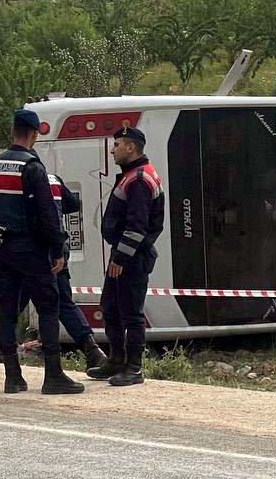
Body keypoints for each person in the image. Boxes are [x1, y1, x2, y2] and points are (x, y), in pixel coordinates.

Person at [0, 109, 84, 395]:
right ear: (35, 134)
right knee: (49, 307)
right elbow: (48, 214)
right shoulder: (32, 167)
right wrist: (57, 248)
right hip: (32, 251)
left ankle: (12, 377)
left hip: (3, 250)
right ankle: (53, 376)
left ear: (13, 130)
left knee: (7, 310)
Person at [0, 173, 108, 370]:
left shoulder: (19, 178)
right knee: (62, 303)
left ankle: (8, 351)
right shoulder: (54, 179)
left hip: (31, 251)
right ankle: (92, 350)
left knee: (13, 301)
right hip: (54, 249)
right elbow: (72, 204)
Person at [86, 126, 165, 387]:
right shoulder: (132, 175)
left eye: (117, 144)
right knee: (110, 306)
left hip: (131, 257)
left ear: (131, 147)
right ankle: (116, 359)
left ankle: (133, 367)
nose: (112, 150)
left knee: (131, 313)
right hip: (123, 254)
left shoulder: (140, 179)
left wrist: (119, 258)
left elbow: (137, 226)